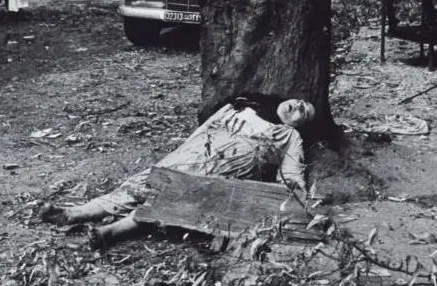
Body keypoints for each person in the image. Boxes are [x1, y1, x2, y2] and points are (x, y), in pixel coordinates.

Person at [40, 94, 315, 249]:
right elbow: (203, 128)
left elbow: (291, 174)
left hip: (230, 167)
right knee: (140, 183)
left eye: (305, 111)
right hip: (194, 151)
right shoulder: (242, 106)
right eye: (299, 100)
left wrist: (297, 197)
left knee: (172, 200)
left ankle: (111, 232)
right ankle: (73, 213)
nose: (299, 106)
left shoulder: (288, 135)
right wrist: (177, 154)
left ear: (301, 124)